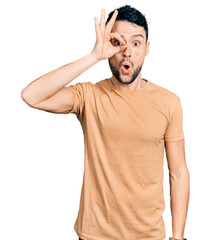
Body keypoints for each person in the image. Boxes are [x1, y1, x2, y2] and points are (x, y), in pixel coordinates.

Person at [21, 5, 189, 240]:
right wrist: (93, 56)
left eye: (136, 43)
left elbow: (178, 172)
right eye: (119, 43)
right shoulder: (89, 96)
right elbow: (32, 95)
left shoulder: (169, 102)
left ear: (147, 48)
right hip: (94, 235)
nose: (127, 52)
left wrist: (178, 236)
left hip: (148, 235)